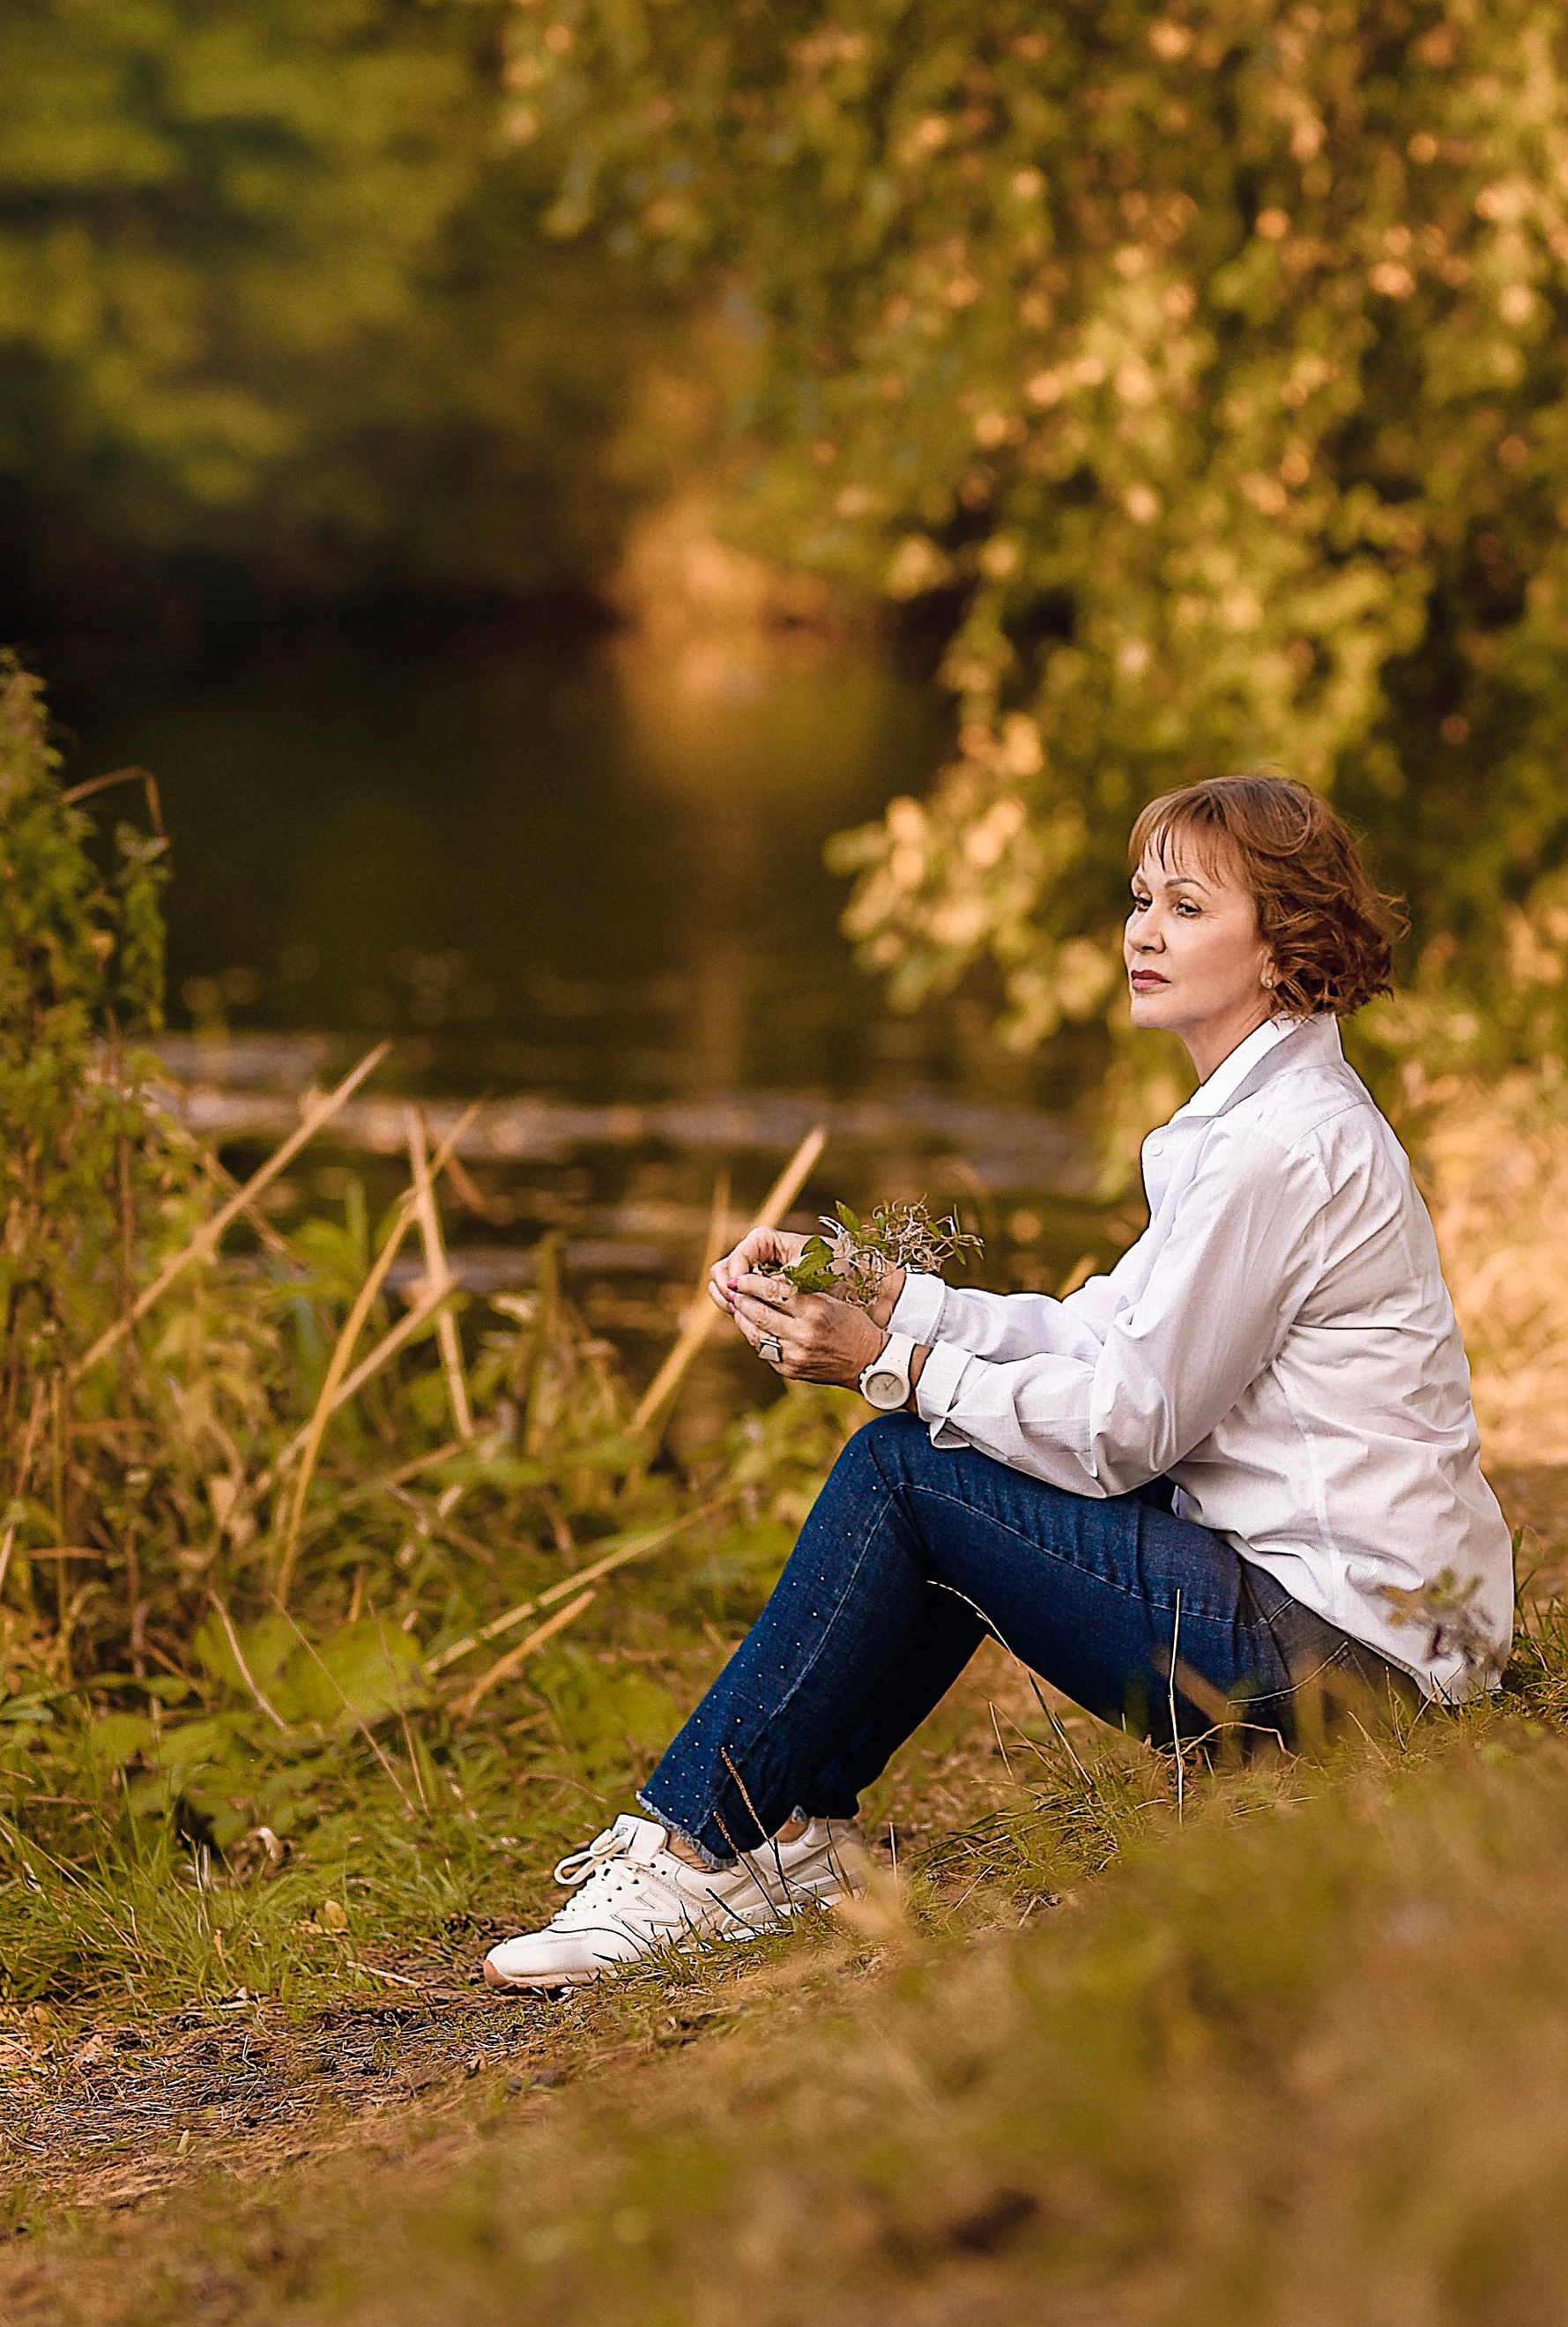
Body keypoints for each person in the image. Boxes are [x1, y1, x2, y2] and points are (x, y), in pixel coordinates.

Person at [483, 773, 1512, 1991]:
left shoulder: (1278, 1150)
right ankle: (793, 1837)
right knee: (937, 1452)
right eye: (1141, 899)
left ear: (1283, 945)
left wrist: (886, 1368)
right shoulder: (1268, 1120)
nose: (1142, 932)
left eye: (1187, 907)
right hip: (1366, 1641)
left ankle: (702, 1849)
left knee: (908, 1469)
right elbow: (1097, 1337)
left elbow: (1123, 1431)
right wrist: (881, 1293)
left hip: (1347, 1668)